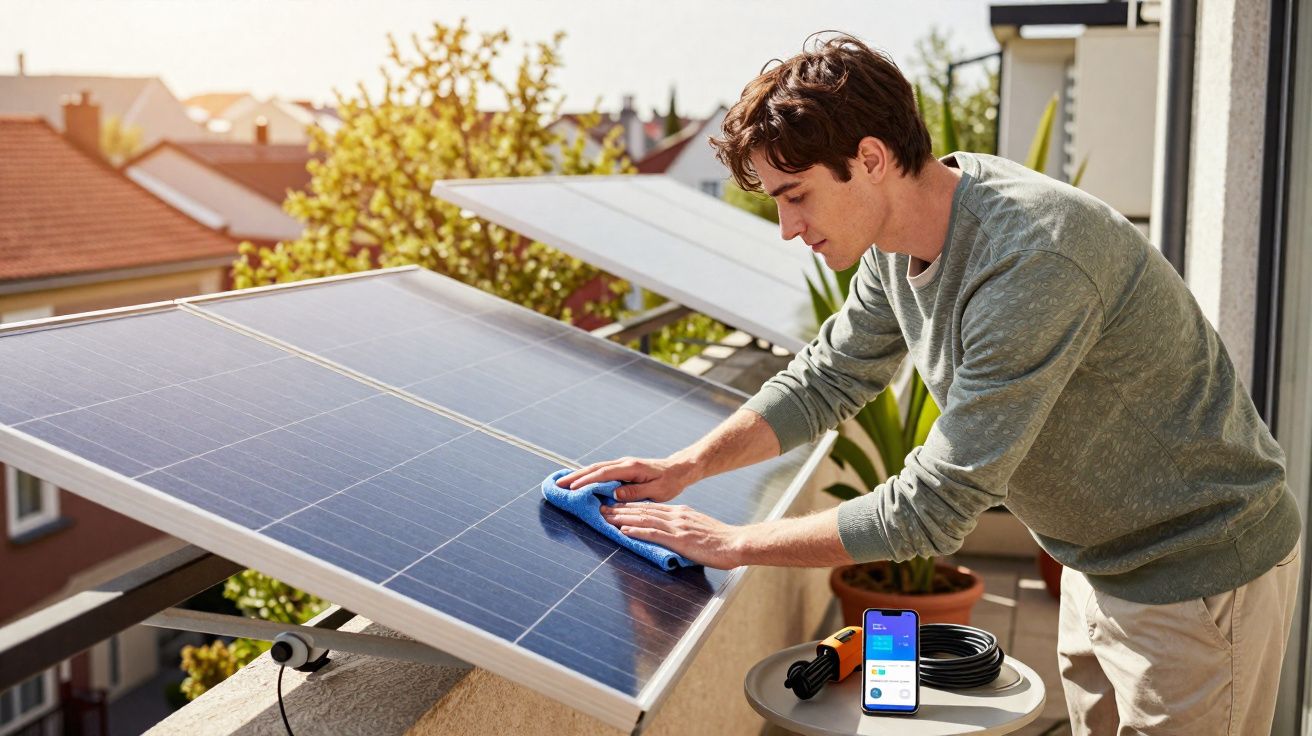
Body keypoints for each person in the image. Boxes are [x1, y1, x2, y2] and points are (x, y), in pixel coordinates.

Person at [557, 33, 1301, 734]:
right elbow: (829, 376)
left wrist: (734, 542)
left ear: (871, 157)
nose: (787, 226)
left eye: (796, 195)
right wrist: (687, 466)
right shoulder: (896, 236)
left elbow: (932, 509)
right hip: (1095, 559)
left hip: (1197, 575)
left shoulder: (1031, 263)